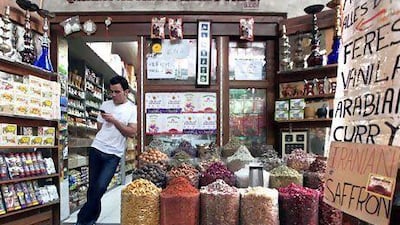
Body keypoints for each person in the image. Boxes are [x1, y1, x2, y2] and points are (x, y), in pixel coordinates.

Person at [76, 76, 137, 225]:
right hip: (97, 148)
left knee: (101, 187)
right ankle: (90, 221)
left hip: (113, 154)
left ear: (126, 92)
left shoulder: (132, 109)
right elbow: (99, 127)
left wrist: (114, 121)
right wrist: (107, 123)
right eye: (112, 92)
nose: (114, 95)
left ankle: (82, 218)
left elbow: (131, 132)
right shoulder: (105, 104)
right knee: (92, 188)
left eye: (117, 92)